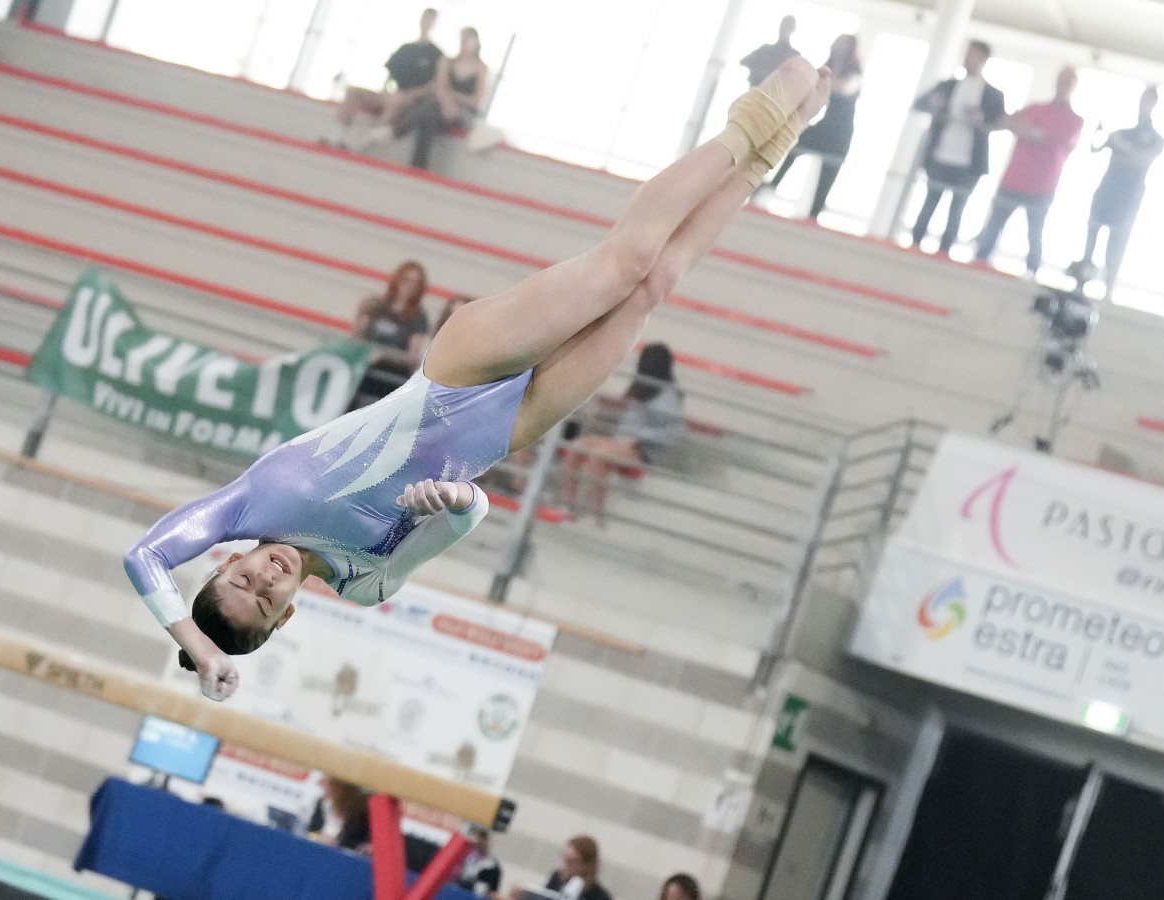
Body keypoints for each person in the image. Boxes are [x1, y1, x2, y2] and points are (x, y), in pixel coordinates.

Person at [123, 58, 831, 702]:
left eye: (242, 579)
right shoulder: (366, 582)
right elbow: (468, 518)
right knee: (654, 286)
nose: (265, 577)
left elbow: (145, 554)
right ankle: (773, 146)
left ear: (222, 564)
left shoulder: (245, 507)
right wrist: (459, 498)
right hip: (509, 426)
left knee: (625, 263)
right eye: (267, 599)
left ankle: (755, 116)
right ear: (286, 616)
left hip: (456, 372)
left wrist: (198, 647)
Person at [972, 67, 1084, 278]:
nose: (1063, 85)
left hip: (1042, 186)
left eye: (1068, 82)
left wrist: (1028, 130)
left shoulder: (1074, 120)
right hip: (1013, 179)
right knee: (993, 226)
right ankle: (978, 264)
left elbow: (1043, 136)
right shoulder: (1034, 108)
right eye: (1061, 80)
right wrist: (1027, 129)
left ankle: (1032, 273)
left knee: (1034, 233)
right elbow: (1007, 123)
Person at [556, 343, 684, 521]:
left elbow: (673, 432)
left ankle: (596, 512)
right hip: (621, 443)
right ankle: (567, 504)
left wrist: (637, 438)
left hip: (642, 452)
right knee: (577, 447)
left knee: (599, 455)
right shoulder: (644, 387)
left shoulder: (667, 396)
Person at [907, 41, 1006, 257]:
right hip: (939, 156)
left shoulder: (993, 95)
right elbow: (919, 103)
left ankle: (944, 253)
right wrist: (935, 104)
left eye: (971, 54)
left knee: (957, 209)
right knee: (929, 203)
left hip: (969, 164)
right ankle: (914, 246)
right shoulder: (948, 86)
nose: (966, 58)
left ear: (982, 59)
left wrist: (979, 120)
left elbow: (999, 124)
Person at [1069, 85, 1164, 299]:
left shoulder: (1156, 139)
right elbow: (1096, 148)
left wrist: (1122, 147)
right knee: (1091, 239)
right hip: (1107, 191)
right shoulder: (1123, 132)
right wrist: (1102, 136)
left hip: (1127, 199)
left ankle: (1107, 292)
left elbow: (1142, 159)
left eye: (1148, 100)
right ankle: (1079, 285)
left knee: (1115, 247)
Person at [765, 34, 863, 220]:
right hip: (825, 125)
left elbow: (845, 88)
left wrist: (821, 82)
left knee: (828, 175)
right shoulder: (829, 66)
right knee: (799, 144)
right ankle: (773, 184)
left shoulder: (854, 72)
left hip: (841, 132)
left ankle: (814, 214)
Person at [332, 8, 444, 149]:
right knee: (353, 91)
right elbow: (391, 73)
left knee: (397, 99)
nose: (426, 22)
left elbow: (436, 85)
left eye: (430, 19)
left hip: (411, 101)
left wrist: (411, 95)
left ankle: (364, 141)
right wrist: (385, 90)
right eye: (425, 18)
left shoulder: (437, 54)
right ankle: (338, 137)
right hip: (393, 94)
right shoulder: (406, 49)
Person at [398, 26, 491, 170]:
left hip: (465, 113)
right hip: (441, 108)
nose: (464, 43)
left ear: (476, 43)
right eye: (462, 39)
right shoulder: (447, 62)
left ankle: (398, 130)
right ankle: (418, 167)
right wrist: (447, 103)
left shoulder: (481, 68)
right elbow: (440, 87)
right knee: (429, 117)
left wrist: (451, 97)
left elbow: (475, 101)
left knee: (430, 110)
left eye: (468, 39)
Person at [350, 261, 431, 409]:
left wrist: (385, 356)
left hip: (391, 375)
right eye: (406, 280)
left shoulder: (418, 317)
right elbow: (356, 339)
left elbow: (412, 357)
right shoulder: (376, 305)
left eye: (415, 283)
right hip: (365, 369)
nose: (409, 286)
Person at [306, 778, 372, 853]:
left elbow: (360, 845)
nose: (323, 784)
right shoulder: (322, 804)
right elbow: (310, 832)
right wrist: (318, 837)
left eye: (329, 783)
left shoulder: (359, 814)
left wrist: (337, 844)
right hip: (316, 850)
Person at [543, 835, 612, 900]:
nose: (566, 865)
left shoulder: (600, 896)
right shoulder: (556, 879)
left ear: (587, 865)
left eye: (572, 861)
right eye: (565, 858)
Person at [740, 15, 799, 87]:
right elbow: (744, 62)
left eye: (787, 26)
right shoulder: (765, 50)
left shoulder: (794, 56)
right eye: (784, 26)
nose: (784, 30)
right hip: (759, 89)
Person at [454, 825, 503, 896]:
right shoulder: (464, 856)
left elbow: (487, 891)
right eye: (477, 837)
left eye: (483, 838)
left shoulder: (492, 866)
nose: (479, 841)